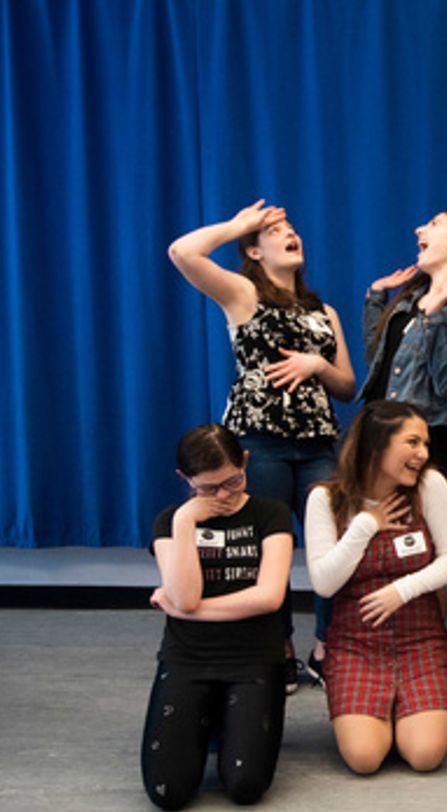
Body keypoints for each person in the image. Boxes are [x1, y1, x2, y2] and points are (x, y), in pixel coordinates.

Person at [168, 199, 357, 691]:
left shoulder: (324, 310)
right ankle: (280, 649)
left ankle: (327, 647)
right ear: (254, 249)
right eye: (276, 231)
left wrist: (317, 366)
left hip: (316, 445)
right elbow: (183, 252)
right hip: (260, 443)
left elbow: (347, 385)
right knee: (263, 548)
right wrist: (238, 225)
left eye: (294, 228)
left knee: (334, 542)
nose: (290, 234)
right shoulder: (244, 293)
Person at [305, 401, 447, 775]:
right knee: (364, 759)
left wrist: (403, 590)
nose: (423, 453)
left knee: (425, 755)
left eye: (425, 443)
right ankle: (365, 706)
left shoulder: (430, 485)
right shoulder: (324, 499)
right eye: (412, 442)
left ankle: (408, 709)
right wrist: (366, 524)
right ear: (378, 445)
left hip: (420, 641)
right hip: (355, 645)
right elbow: (324, 583)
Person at [143, 424, 294, 810]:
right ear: (185, 479)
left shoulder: (270, 514)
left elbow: (269, 597)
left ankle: (224, 719)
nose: (224, 496)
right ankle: (208, 716)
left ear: (244, 461)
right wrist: (185, 522)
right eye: (209, 488)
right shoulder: (170, 521)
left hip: (253, 656)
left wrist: (184, 610)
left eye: (233, 481)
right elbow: (186, 594)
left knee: (246, 785)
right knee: (167, 792)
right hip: (188, 657)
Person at [360, 210, 447, 501]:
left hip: (423, 441)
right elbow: (376, 361)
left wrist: (432, 320)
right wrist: (375, 298)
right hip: (379, 433)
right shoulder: (408, 298)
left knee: (424, 537)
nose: (419, 230)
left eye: (433, 225)